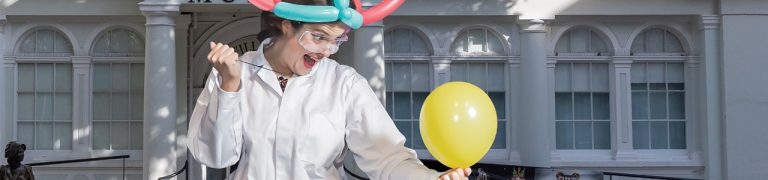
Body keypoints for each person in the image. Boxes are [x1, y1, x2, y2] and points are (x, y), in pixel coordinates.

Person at [187, 0, 472, 179]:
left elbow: (387, 157)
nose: (326, 50)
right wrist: (230, 87)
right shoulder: (233, 73)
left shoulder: (346, 84)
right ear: (287, 26)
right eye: (319, 37)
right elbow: (217, 157)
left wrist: (430, 179)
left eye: (337, 40)